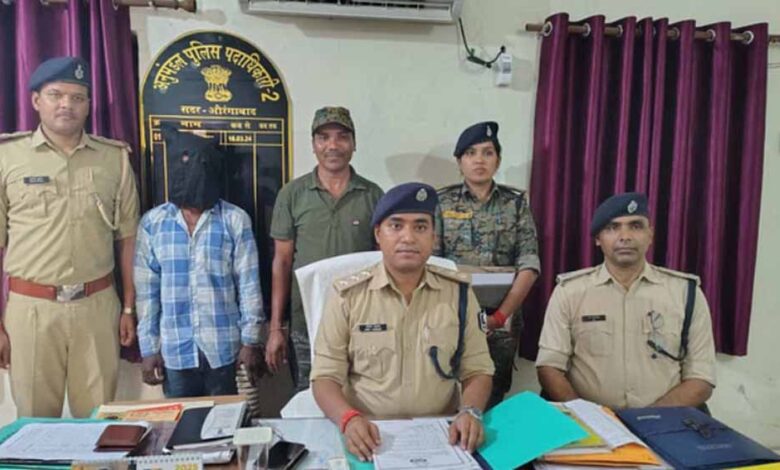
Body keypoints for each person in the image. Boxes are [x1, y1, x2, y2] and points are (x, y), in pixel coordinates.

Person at [311, 182, 494, 462]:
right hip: (368, 434)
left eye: (420, 227)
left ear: (433, 236)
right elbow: (325, 377)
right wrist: (348, 419)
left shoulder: (458, 294)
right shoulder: (348, 296)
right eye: (396, 226)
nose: (408, 237)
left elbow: (478, 369)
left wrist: (470, 412)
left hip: (443, 435)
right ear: (378, 234)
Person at [0, 56, 139, 417]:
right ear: (36, 101)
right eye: (56, 95)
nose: (67, 105)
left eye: (78, 98)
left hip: (97, 306)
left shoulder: (113, 159)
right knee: (34, 421)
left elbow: (128, 239)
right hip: (31, 309)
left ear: (89, 105)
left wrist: (128, 307)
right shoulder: (7, 158)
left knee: (98, 419)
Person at [536, 192, 716, 409]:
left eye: (636, 226)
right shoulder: (570, 292)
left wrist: (648, 419)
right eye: (612, 228)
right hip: (590, 422)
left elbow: (701, 378)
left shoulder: (685, 293)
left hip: (665, 420)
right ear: (598, 239)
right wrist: (587, 417)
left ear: (650, 235)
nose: (625, 236)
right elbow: (549, 367)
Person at [135, 125, 263, 398]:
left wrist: (251, 341)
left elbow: (249, 284)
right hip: (175, 351)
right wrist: (148, 348)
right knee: (182, 422)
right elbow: (147, 293)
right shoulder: (153, 224)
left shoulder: (234, 220)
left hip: (222, 348)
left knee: (226, 421)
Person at [265, 106, 383, 391]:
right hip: (306, 322)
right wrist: (276, 328)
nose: (333, 145)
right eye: (323, 137)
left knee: (361, 396)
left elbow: (384, 262)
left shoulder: (373, 195)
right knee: (309, 396)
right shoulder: (292, 194)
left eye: (342, 136)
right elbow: (282, 262)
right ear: (313, 144)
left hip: (360, 322)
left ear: (354, 144)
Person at [435, 121, 540, 409]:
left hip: (501, 319)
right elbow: (433, 264)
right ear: (459, 162)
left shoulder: (515, 204)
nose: (479, 160)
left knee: (493, 396)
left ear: (498, 160)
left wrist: (500, 316)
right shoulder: (441, 202)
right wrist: (456, 313)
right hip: (452, 315)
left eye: (487, 152)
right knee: (446, 393)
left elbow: (529, 264)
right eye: (470, 153)